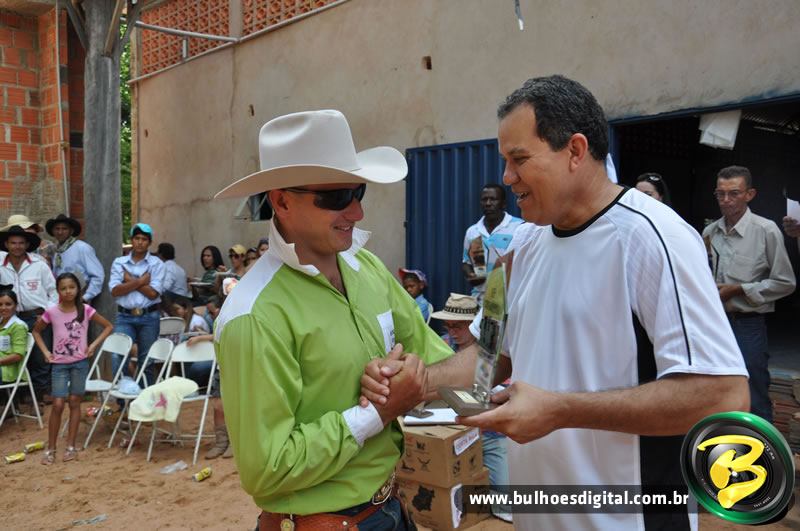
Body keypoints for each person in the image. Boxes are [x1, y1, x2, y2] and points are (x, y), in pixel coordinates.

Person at [410, 75, 751, 530]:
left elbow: (722, 397)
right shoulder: (524, 247)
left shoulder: (652, 238)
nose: (507, 178)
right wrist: (415, 382)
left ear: (574, 150)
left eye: (519, 159)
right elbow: (490, 359)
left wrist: (560, 411)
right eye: (504, 162)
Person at [213, 109, 469, 529]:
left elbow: (445, 363)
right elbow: (267, 467)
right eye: (336, 197)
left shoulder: (367, 269)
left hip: (389, 507)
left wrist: (412, 378)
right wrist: (378, 412)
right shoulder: (254, 315)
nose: (357, 212)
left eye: (358, 192)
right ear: (281, 201)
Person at [702, 165, 795, 422]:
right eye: (720, 194)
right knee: (716, 389)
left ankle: (762, 445)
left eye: (734, 193)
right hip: (715, 324)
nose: (726, 200)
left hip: (748, 325)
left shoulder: (766, 230)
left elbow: (785, 282)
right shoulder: (710, 232)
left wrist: (740, 289)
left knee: (754, 391)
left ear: (749, 194)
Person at [431, 293, 512, 522]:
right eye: (448, 326)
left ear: (473, 324)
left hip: (490, 434)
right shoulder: (441, 345)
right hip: (452, 432)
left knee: (505, 504)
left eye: (458, 326)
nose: (452, 332)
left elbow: (505, 393)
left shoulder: (497, 352)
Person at [32, 273, 113, 464]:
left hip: (80, 363)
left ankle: (70, 447)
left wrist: (93, 346)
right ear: (58, 291)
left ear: (78, 289)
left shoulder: (85, 310)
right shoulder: (52, 312)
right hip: (59, 364)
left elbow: (108, 326)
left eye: (71, 287)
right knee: (58, 404)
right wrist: (46, 352)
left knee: (75, 402)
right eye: (63, 288)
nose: (68, 291)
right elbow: (36, 331)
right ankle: (51, 449)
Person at [0, 225, 58, 403]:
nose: (17, 246)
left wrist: (46, 315)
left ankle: (40, 395)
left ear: (27, 245)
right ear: (6, 244)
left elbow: (54, 292)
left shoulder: (39, 265)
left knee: (40, 357)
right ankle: (19, 396)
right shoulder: (1, 266)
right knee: (13, 355)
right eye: (13, 243)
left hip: (37, 316)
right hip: (10, 319)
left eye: (21, 243)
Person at [108, 223, 165, 386]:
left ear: (150, 242)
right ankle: (124, 395)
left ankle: (144, 395)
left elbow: (153, 293)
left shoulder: (156, 264)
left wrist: (128, 279)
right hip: (124, 316)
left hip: (149, 316)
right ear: (132, 240)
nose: (140, 242)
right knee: (117, 354)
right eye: (137, 238)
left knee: (147, 361)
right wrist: (140, 281)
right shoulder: (119, 262)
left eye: (144, 239)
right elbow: (115, 291)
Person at [462, 184, 523, 303]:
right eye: (484, 199)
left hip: (510, 299)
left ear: (503, 203)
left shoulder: (519, 228)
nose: (488, 203)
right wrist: (471, 276)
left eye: (493, 199)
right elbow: (466, 262)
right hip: (479, 299)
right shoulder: (473, 231)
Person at [46, 214, 104, 304]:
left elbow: (98, 275)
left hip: (79, 297)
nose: (60, 232)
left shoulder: (82, 248)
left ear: (71, 231)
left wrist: (86, 297)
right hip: (61, 299)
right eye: (57, 229)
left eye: (64, 229)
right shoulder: (57, 251)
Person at [0, 287, 29, 400]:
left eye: (8, 304)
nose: (3, 308)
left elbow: (18, 355)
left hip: (8, 370)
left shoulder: (18, 326)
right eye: (0, 304)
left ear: (15, 306)